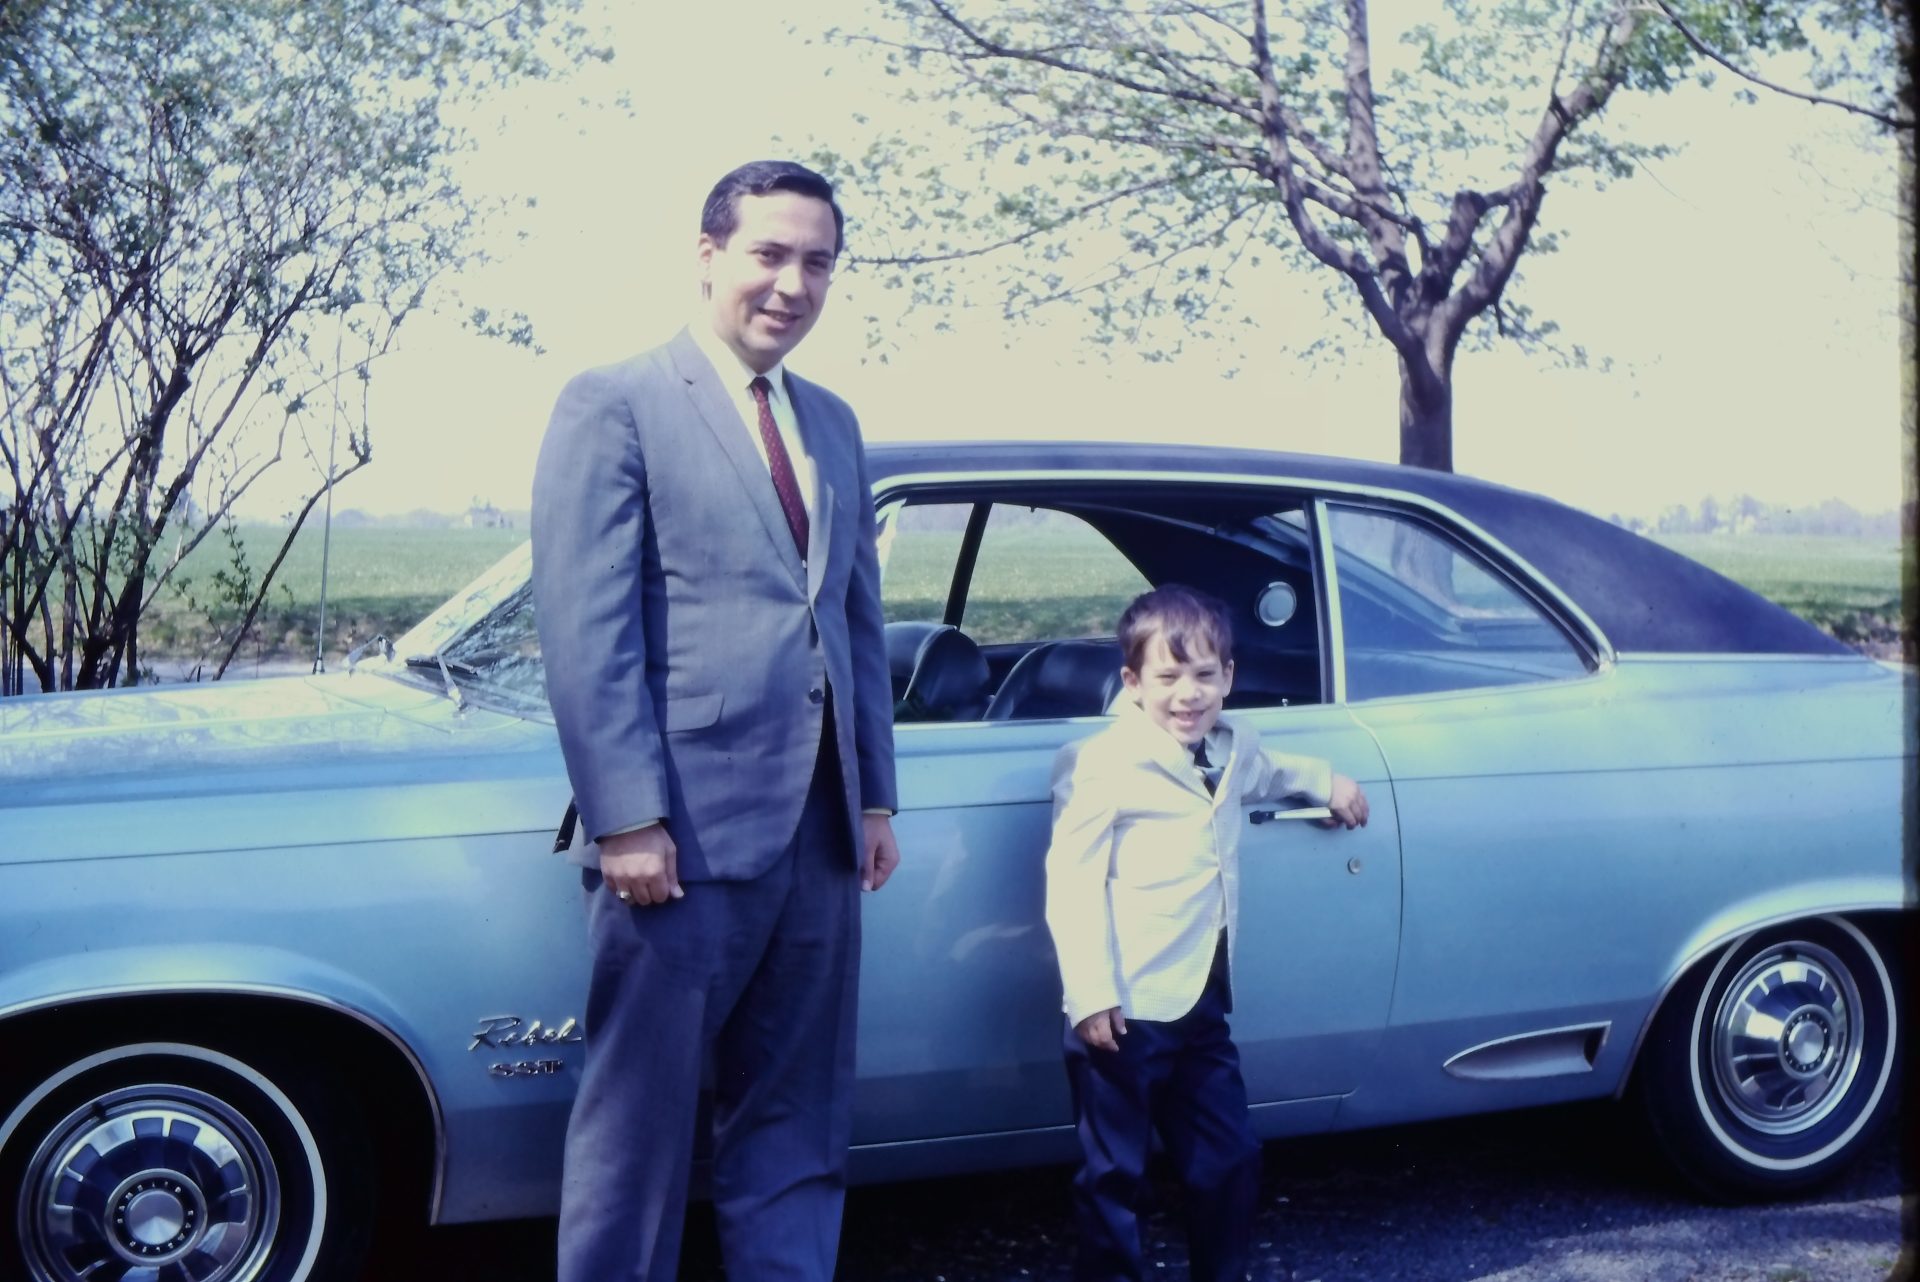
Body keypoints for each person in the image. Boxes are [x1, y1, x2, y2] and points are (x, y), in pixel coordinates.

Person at [531, 159, 900, 1282]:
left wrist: (874, 793)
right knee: (637, 1135)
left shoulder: (830, 421)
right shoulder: (618, 402)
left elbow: (855, 621)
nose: (792, 284)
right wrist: (627, 818)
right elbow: (587, 631)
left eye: (817, 263)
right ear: (708, 257)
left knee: (797, 1123)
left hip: (821, 839)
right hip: (680, 837)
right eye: (770, 255)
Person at [1043, 583, 1369, 1282]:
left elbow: (1270, 770)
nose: (1187, 695)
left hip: (1202, 1001)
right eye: (1167, 677)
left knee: (1230, 1156)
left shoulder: (1233, 743)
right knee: (1114, 1173)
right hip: (1123, 1007)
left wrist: (1328, 781)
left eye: (1204, 676)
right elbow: (1071, 881)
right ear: (1132, 682)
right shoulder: (1101, 763)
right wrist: (1091, 992)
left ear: (1228, 676)